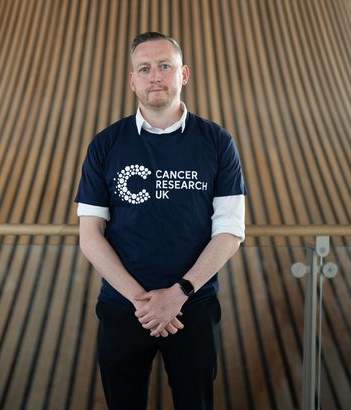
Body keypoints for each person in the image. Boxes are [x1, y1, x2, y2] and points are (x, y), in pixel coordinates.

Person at [75, 31, 246, 410]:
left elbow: (230, 232)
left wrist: (177, 295)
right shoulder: (106, 144)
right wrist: (146, 303)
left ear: (183, 74)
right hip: (123, 308)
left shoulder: (217, 142)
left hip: (193, 308)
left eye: (165, 66)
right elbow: (90, 236)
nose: (155, 75)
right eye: (145, 68)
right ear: (132, 80)